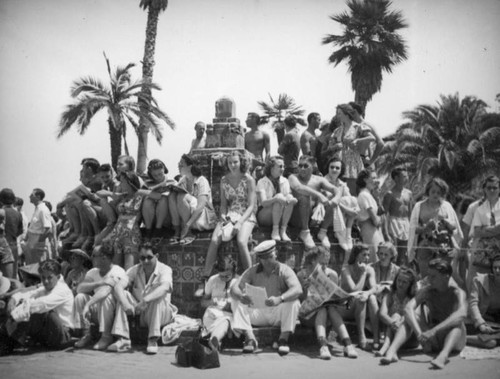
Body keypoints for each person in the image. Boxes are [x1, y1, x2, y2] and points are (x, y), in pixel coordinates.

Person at [230, 240, 302, 355]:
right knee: (235, 300)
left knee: (294, 301)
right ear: (260, 259)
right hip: (257, 312)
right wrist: (241, 296)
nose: (267, 261)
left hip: (277, 313)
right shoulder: (252, 270)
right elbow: (234, 289)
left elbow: (297, 289)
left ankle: (283, 340)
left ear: (276, 254)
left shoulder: (285, 270)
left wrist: (280, 298)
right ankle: (250, 339)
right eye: (264, 258)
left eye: (270, 257)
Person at [199, 151, 257, 288]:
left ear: (241, 162)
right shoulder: (224, 180)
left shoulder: (248, 180)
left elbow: (251, 206)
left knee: (242, 241)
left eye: (235, 162)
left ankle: (250, 279)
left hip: (246, 215)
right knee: (214, 240)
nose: (232, 165)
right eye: (230, 162)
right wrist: (224, 217)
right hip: (230, 215)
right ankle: (205, 278)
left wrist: (240, 223)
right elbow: (224, 205)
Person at [112, 242, 177, 354]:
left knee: (157, 296)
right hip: (141, 313)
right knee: (124, 295)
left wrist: (146, 300)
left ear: (156, 256)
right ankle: (123, 338)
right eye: (142, 258)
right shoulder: (135, 269)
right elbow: (118, 286)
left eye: (149, 257)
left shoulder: (165, 269)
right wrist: (125, 303)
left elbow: (165, 287)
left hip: (162, 314)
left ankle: (152, 339)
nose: (145, 261)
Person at [404, 258, 467, 369]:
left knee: (457, 323)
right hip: (434, 337)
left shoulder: (457, 292)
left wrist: (433, 330)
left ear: (446, 277)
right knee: (413, 316)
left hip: (454, 339)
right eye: (428, 275)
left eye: (433, 277)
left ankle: (444, 355)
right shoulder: (427, 291)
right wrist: (419, 334)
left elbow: (461, 314)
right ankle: (392, 350)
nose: (429, 279)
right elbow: (408, 308)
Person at [0, 260, 73, 355]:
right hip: (47, 335)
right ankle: (9, 338)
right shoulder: (46, 287)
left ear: (58, 277)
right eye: (43, 277)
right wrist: (13, 299)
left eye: (49, 278)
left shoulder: (62, 290)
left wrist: (14, 316)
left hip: (62, 337)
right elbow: (27, 293)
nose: (46, 281)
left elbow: (41, 304)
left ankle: (11, 342)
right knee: (28, 305)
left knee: (41, 311)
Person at [297, 247, 358, 359]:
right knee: (323, 308)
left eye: (326, 263)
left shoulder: (332, 274)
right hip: (308, 315)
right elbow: (300, 301)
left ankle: (346, 344)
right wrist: (305, 289)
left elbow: (335, 298)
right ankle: (325, 345)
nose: (325, 266)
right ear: (313, 261)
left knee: (327, 307)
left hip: (328, 313)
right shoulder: (302, 275)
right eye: (321, 263)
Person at [73, 243, 129, 351]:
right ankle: (86, 334)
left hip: (113, 313)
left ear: (104, 257)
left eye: (94, 255)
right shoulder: (92, 272)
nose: (91, 258)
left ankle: (106, 336)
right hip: (98, 310)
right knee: (80, 297)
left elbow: (105, 291)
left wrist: (88, 305)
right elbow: (80, 288)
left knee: (106, 298)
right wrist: (99, 282)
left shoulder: (118, 271)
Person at [407, 178, 462, 278]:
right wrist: (426, 228)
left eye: (439, 192)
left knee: (443, 276)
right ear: (428, 191)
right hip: (425, 245)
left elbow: (455, 229)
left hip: (444, 247)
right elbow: (413, 229)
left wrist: (446, 223)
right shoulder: (419, 206)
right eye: (433, 191)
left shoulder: (447, 206)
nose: (436, 194)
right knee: (425, 277)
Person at [288, 155, 341, 249]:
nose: (302, 168)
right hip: (297, 217)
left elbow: (335, 189)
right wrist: (319, 195)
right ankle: (305, 232)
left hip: (313, 217)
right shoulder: (293, 177)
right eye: (300, 166)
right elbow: (299, 188)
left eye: (305, 166)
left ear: (313, 167)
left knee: (332, 198)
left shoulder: (318, 179)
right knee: (305, 196)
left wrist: (336, 199)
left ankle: (323, 232)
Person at [169, 154, 217, 245]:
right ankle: (177, 230)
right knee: (172, 196)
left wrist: (187, 225)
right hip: (188, 218)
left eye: (181, 164)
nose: (178, 166)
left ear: (190, 167)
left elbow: (201, 206)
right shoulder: (183, 180)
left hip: (202, 218)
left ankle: (188, 232)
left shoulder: (201, 180)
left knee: (182, 196)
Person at [339, 244, 380, 351]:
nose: (367, 258)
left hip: (360, 307)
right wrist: (363, 274)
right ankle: (362, 338)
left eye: (368, 255)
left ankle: (376, 338)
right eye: (364, 255)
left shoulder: (369, 269)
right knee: (359, 298)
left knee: (372, 298)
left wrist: (367, 293)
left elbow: (374, 288)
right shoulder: (346, 269)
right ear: (356, 255)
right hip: (345, 306)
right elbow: (354, 290)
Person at [328, 104, 375, 194]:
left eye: (339, 113)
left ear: (347, 114)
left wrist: (358, 140)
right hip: (340, 162)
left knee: (351, 191)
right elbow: (330, 146)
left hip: (353, 164)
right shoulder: (338, 130)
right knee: (338, 191)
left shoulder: (358, 127)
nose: (337, 116)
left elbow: (372, 137)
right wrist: (335, 146)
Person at [104, 171, 145, 270]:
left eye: (122, 181)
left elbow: (156, 195)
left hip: (131, 234)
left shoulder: (139, 195)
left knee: (129, 271)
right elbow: (99, 193)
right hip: (117, 234)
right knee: (115, 272)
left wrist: (137, 191)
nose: (120, 184)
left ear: (129, 182)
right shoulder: (122, 197)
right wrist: (114, 194)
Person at [377, 267, 418, 362]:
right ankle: (392, 353)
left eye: (404, 282)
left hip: (409, 337)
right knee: (395, 316)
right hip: (393, 330)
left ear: (410, 285)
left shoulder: (413, 298)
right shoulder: (390, 295)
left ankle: (387, 346)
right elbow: (382, 314)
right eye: (399, 280)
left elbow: (413, 316)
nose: (400, 284)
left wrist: (399, 323)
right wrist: (393, 323)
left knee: (401, 316)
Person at [322, 157, 359, 256]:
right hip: (325, 212)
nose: (334, 170)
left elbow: (349, 198)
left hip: (340, 213)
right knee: (337, 199)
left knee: (353, 200)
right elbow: (331, 200)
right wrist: (348, 210)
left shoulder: (342, 184)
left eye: (337, 168)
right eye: (332, 167)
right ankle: (339, 233)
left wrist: (352, 208)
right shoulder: (323, 181)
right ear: (328, 168)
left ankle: (348, 233)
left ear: (341, 170)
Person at [201, 256, 239, 351]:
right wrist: (210, 302)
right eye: (221, 276)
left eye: (227, 276)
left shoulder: (238, 282)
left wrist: (230, 306)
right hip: (212, 314)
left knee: (225, 321)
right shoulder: (213, 280)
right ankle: (215, 340)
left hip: (229, 314)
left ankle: (215, 339)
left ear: (233, 273)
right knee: (213, 319)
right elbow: (203, 302)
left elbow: (243, 304)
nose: (224, 279)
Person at [256, 155, 297, 241]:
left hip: (279, 214)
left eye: (283, 166)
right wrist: (276, 199)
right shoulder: (262, 182)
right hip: (264, 215)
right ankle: (275, 230)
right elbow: (263, 203)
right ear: (271, 168)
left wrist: (291, 199)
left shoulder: (285, 181)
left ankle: (283, 231)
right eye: (280, 166)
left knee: (289, 199)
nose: (282, 169)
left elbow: (287, 199)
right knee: (278, 199)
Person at [469, 175, 500, 290]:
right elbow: (476, 232)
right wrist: (496, 229)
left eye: (495, 188)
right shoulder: (479, 209)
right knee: (483, 283)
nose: (492, 190)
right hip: (484, 254)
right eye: (489, 188)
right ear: (484, 189)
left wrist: (486, 229)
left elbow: (481, 231)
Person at [467, 253, 500, 349]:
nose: (497, 271)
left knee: (491, 342)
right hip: (482, 317)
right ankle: (462, 337)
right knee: (491, 342)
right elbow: (473, 304)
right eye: (495, 268)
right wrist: (481, 324)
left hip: (497, 321)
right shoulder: (479, 281)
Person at [382, 168, 413, 266]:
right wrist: (386, 232)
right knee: (393, 252)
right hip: (394, 222)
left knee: (404, 254)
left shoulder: (408, 193)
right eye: (404, 176)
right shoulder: (389, 194)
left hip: (406, 223)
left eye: (407, 176)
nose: (406, 178)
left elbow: (411, 212)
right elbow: (384, 213)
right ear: (396, 178)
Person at [141, 159, 173, 241]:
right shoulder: (146, 184)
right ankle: (148, 230)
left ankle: (158, 230)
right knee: (147, 200)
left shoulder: (172, 182)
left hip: (166, 218)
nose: (158, 177)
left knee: (163, 199)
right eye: (155, 175)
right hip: (150, 218)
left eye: (160, 174)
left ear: (164, 170)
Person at [356, 169, 384, 262]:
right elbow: (375, 220)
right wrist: (380, 220)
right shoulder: (364, 195)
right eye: (373, 178)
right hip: (369, 230)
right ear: (365, 180)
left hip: (374, 230)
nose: (376, 180)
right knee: (374, 258)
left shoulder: (369, 195)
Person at [349, 102, 385, 166]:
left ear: (354, 111)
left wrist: (371, 161)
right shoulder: (352, 126)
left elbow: (380, 143)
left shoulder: (366, 125)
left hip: (362, 162)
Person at [21, 188, 52, 264]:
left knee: (38, 269)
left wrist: (38, 241)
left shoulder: (43, 210)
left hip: (37, 247)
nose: (29, 196)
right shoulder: (37, 209)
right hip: (32, 246)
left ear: (38, 196)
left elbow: (48, 230)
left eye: (32, 195)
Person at [0, 189, 23, 278]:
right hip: (13, 245)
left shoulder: (1, 212)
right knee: (13, 276)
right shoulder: (18, 214)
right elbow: (19, 231)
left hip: (2, 247)